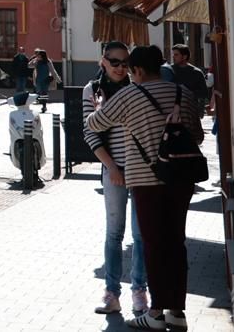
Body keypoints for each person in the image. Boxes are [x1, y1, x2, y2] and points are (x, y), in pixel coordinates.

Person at [86, 43, 205, 330]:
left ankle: (155, 313)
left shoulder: (130, 94)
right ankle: (177, 311)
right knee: (176, 243)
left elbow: (95, 122)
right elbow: (198, 136)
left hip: (146, 181)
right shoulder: (182, 93)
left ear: (137, 69)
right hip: (180, 180)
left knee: (153, 244)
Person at [85, 41, 148, 317]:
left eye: (126, 63)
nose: (121, 68)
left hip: (141, 169)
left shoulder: (137, 88)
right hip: (112, 169)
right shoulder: (93, 91)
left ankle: (139, 292)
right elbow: (90, 132)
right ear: (103, 61)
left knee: (141, 234)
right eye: (115, 62)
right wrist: (111, 168)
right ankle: (112, 293)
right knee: (114, 232)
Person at [161, 44, 208, 110]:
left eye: (176, 55)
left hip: (190, 109)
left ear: (184, 56)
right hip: (170, 108)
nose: (173, 57)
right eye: (173, 54)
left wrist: (189, 93)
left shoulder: (196, 72)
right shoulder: (168, 71)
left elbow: (204, 92)